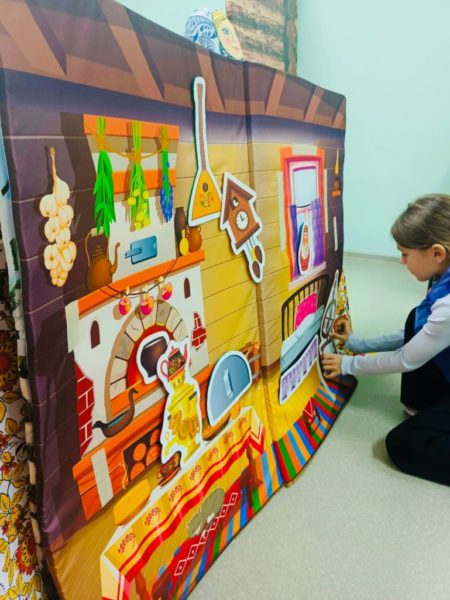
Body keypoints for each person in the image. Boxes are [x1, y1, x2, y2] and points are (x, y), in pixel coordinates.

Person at [320, 194, 450, 485]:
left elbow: (406, 359)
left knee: (404, 445)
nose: (402, 262)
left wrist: (347, 364)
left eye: (405, 254)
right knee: (414, 318)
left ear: (437, 253)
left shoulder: (448, 305)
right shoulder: (442, 277)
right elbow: (420, 332)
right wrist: (357, 344)